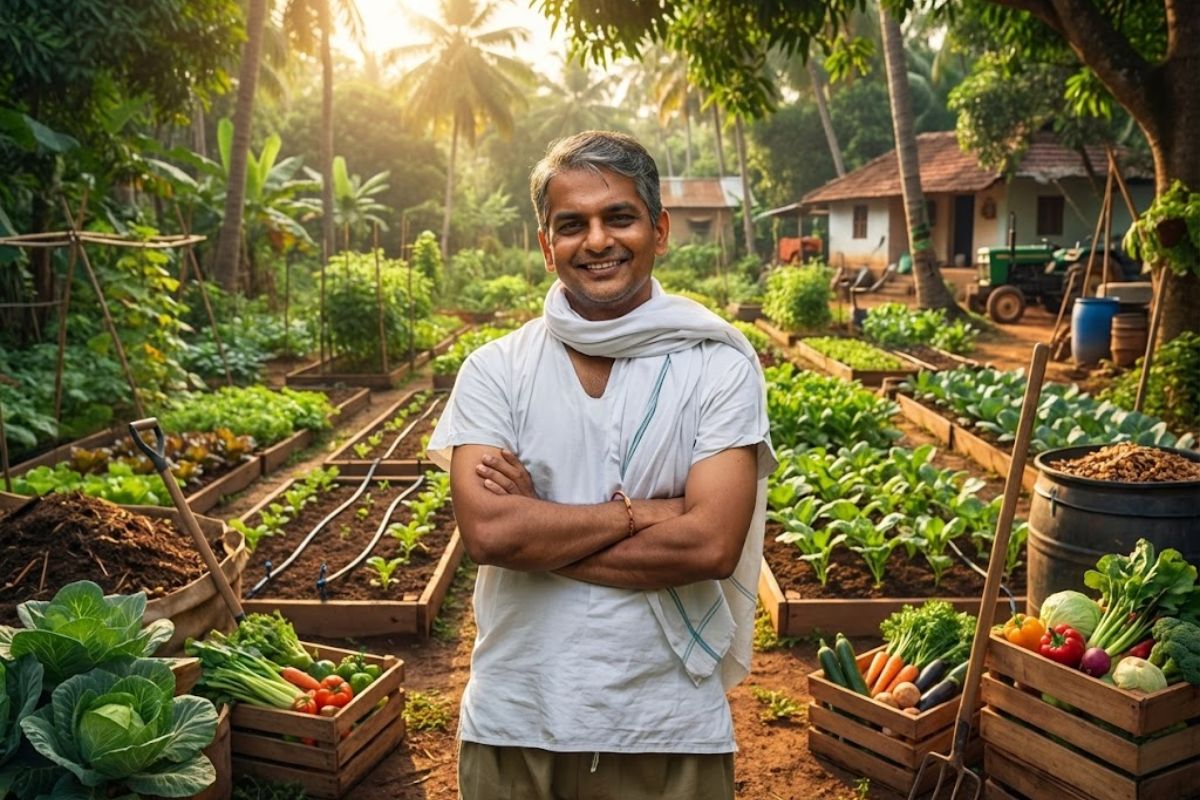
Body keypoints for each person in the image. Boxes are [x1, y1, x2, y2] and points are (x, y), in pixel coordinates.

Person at [426, 130, 776, 800]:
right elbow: (491, 536)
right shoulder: (495, 370)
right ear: (545, 244)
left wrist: (540, 530)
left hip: (668, 723)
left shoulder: (717, 364)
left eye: (619, 216)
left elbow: (710, 544)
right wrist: (643, 513)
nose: (597, 241)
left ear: (659, 229)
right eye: (571, 224)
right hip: (516, 717)